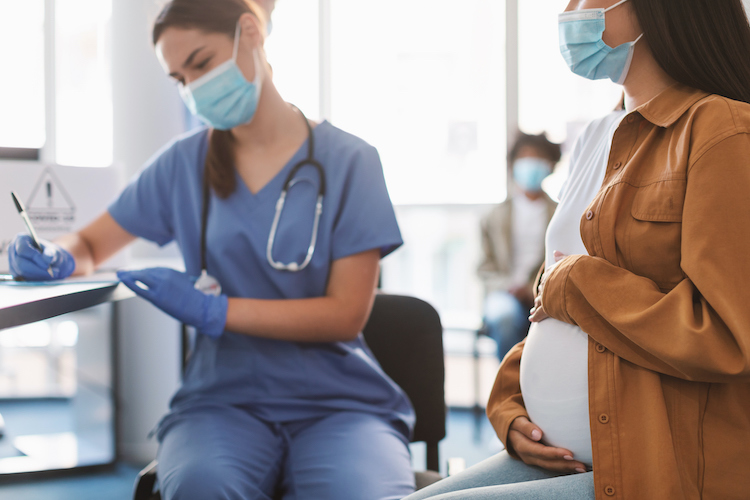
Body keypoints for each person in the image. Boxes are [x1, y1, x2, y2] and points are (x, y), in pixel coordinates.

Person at [7, 1, 416, 499]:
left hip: (339, 404)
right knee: (202, 488)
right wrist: (59, 254)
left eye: (200, 64)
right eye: (180, 78)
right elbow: (93, 243)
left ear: (251, 34)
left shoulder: (351, 161)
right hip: (222, 403)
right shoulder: (184, 163)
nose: (193, 88)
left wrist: (214, 311)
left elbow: (345, 315)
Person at [405, 0, 750, 498]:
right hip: (570, 453)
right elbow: (557, 311)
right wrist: (512, 405)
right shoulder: (597, 137)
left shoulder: (722, 129)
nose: (569, 10)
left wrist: (578, 281)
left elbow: (729, 334)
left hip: (652, 463)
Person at [477, 132, 559, 362]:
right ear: (513, 165)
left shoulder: (561, 214)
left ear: (551, 165)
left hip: (547, 293)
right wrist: (510, 286)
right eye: (525, 157)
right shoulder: (493, 217)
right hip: (504, 293)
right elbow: (484, 268)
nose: (530, 164)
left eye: (538, 157)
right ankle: (509, 388)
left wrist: (535, 289)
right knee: (504, 318)